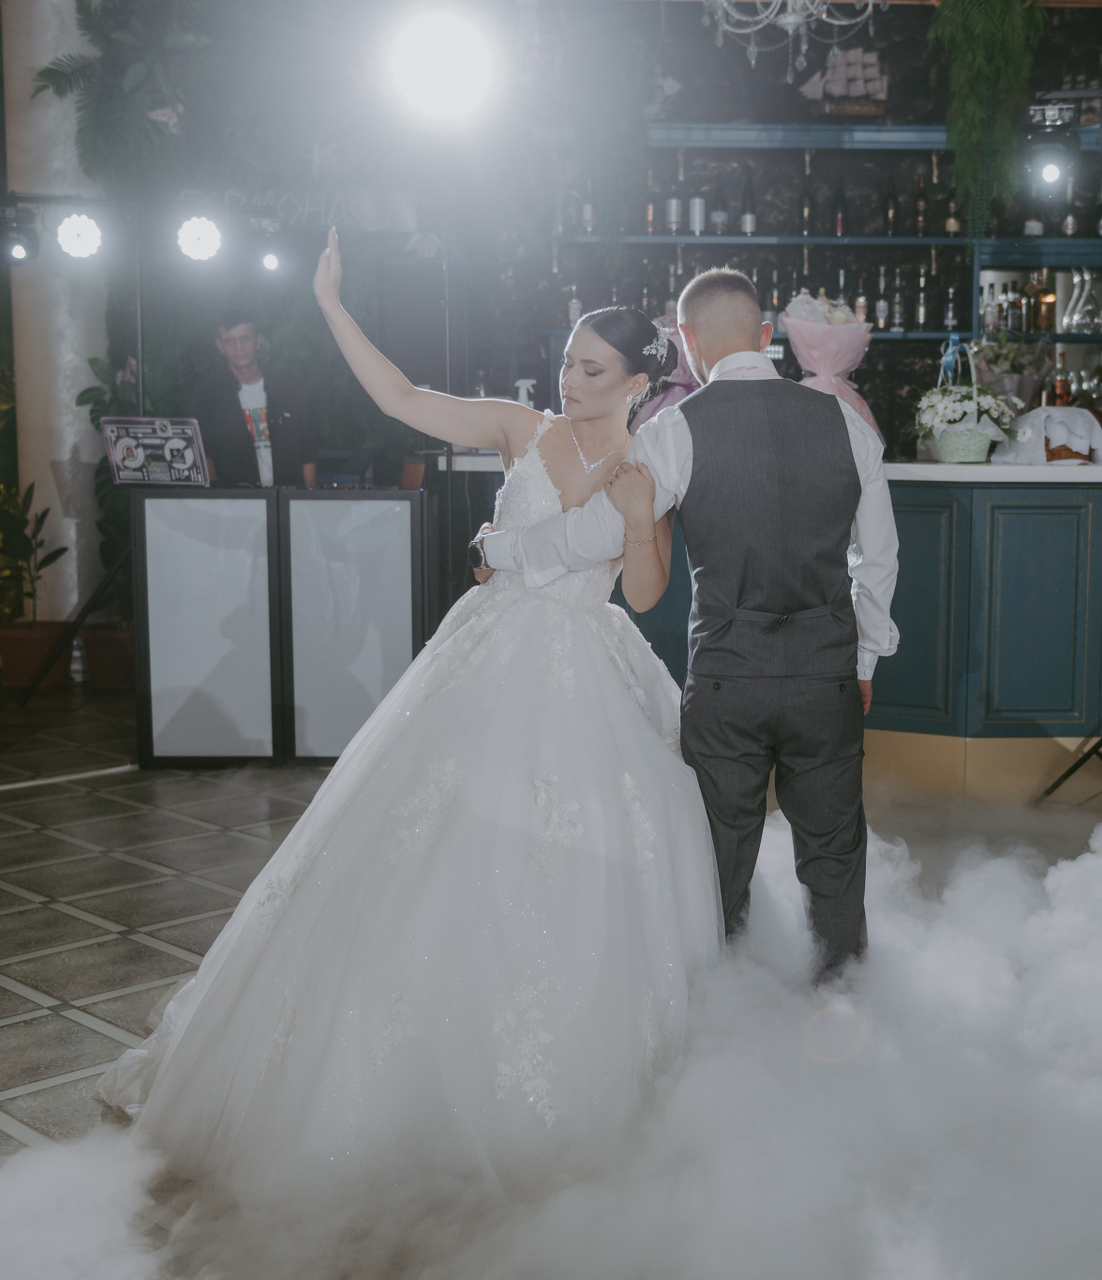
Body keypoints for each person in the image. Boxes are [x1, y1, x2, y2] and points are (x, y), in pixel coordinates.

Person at [97, 229, 722, 1264]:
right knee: (419, 851)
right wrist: (331, 305)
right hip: (487, 657)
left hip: (585, 666)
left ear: (638, 382)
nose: (569, 380)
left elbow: (648, 593)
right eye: (567, 361)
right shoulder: (521, 427)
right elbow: (399, 397)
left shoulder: (645, 464)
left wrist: (640, 515)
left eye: (591, 369)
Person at [479, 267, 900, 979]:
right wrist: (862, 661)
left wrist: (498, 549)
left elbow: (592, 537)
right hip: (825, 674)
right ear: (765, 336)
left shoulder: (674, 429)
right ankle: (844, 997)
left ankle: (720, 1004)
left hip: (728, 678)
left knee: (717, 856)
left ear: (686, 339)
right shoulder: (847, 424)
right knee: (834, 849)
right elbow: (880, 559)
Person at [190, 307, 316, 488]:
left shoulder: (289, 387)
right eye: (230, 340)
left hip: (286, 495)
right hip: (235, 499)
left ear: (258, 341)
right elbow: (204, 454)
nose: (239, 347)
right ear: (220, 346)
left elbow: (307, 451)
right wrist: (217, 498)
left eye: (245, 338)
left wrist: (308, 497)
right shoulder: (208, 395)